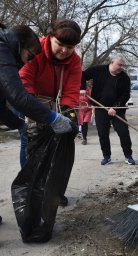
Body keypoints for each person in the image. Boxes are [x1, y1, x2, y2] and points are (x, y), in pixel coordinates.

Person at [0, 23, 74, 224]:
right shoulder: (4, 48)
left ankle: (45, 190)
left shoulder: (9, 48)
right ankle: (31, 188)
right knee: (29, 147)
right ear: (22, 46)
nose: (27, 61)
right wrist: (51, 118)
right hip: (32, 102)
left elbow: (0, 107)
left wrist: (19, 124)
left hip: (39, 105)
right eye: (29, 56)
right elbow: (18, 94)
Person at [19, 18, 82, 206]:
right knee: (30, 141)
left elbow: (71, 90)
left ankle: (53, 189)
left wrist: (66, 113)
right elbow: (24, 81)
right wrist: (35, 111)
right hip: (28, 98)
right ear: (50, 37)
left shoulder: (75, 60)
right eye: (60, 44)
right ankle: (30, 186)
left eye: (70, 47)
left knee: (58, 145)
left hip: (57, 102)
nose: (64, 51)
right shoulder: (34, 49)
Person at [82, 53, 135, 165]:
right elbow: (82, 75)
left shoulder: (124, 78)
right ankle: (106, 156)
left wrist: (115, 107)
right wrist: (82, 88)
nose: (121, 67)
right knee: (103, 133)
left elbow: (126, 95)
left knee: (123, 132)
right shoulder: (98, 70)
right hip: (100, 108)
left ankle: (128, 155)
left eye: (123, 65)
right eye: (119, 64)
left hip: (117, 110)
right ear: (111, 62)